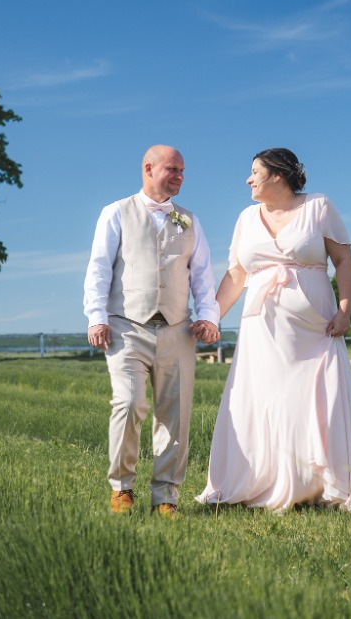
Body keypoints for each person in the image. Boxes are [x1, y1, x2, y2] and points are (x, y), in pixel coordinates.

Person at [196, 148, 351, 512]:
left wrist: (345, 310)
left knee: (319, 400)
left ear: (278, 175)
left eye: (255, 172)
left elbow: (343, 259)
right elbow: (237, 276)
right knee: (265, 400)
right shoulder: (246, 219)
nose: (248, 180)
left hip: (314, 327)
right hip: (262, 331)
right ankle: (261, 480)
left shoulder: (318, 206)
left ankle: (339, 486)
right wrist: (211, 316)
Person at [84, 144, 220, 519]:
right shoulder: (115, 212)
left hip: (178, 328)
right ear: (148, 168)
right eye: (172, 169)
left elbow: (203, 275)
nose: (179, 176)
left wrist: (208, 316)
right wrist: (96, 317)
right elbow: (98, 268)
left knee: (176, 415)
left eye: (182, 171)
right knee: (129, 404)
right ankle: (121, 489)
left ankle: (166, 497)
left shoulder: (189, 220)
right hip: (126, 327)